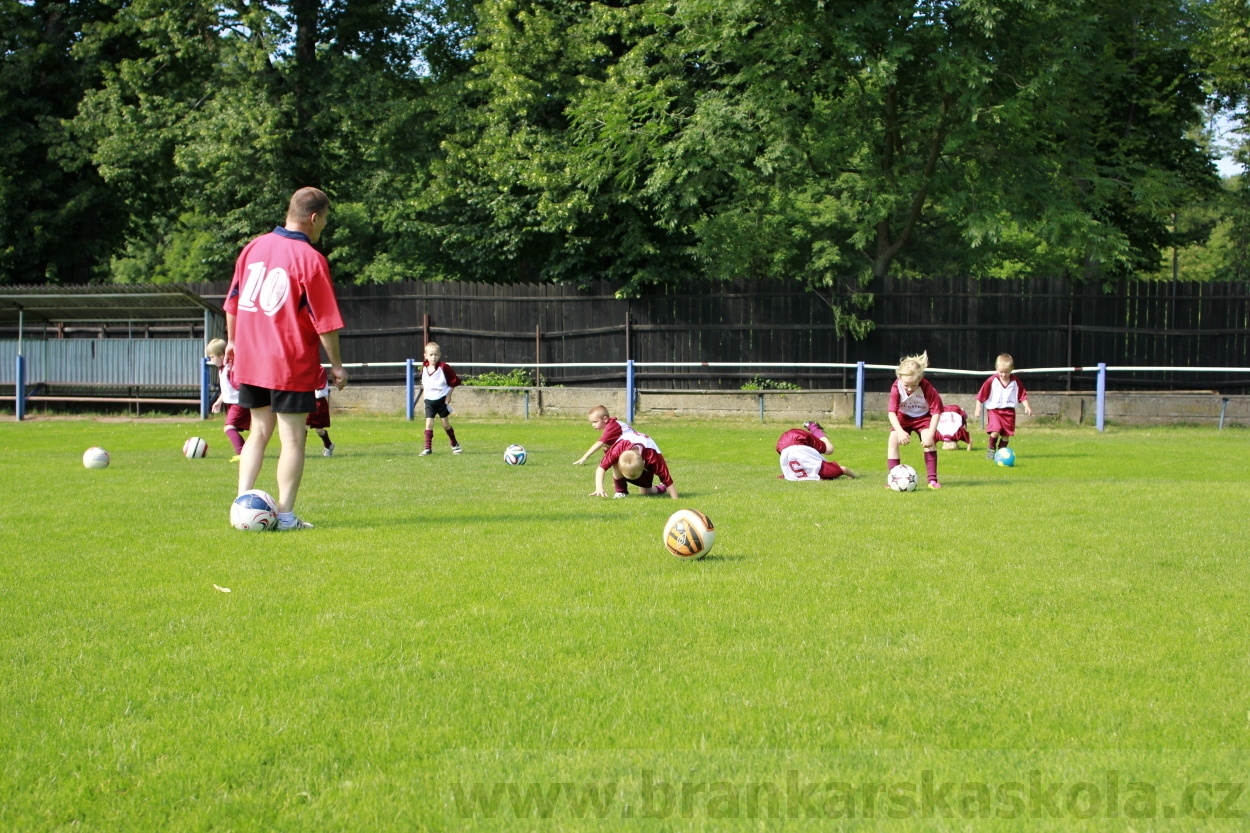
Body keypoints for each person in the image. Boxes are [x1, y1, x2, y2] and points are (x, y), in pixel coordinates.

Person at [224, 187, 347, 531]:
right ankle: (287, 516)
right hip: (288, 361)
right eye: (324, 219)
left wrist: (233, 341)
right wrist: (336, 364)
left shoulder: (254, 247)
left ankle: (241, 506)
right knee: (293, 439)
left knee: (258, 432)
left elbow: (232, 301)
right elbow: (325, 321)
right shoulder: (311, 259)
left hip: (250, 358)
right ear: (313, 218)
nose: (323, 226)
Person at [887, 351, 944, 489]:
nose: (910, 388)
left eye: (913, 385)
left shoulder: (927, 387)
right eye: (906, 385)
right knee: (893, 439)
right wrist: (900, 431)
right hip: (903, 417)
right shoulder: (896, 387)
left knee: (928, 443)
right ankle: (892, 478)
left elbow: (936, 412)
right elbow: (891, 412)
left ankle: (932, 480)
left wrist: (931, 434)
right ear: (899, 377)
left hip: (923, 418)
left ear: (920, 379)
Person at [974, 353, 1032, 460]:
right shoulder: (992, 381)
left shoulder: (1015, 381)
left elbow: (1022, 395)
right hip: (994, 411)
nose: (1004, 375)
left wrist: (1027, 406)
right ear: (996, 369)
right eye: (1001, 372)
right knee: (995, 431)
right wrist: (978, 408)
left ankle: (1001, 451)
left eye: (1006, 372)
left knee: (1006, 435)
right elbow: (981, 395)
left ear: (1012, 370)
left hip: (1009, 412)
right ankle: (991, 448)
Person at [592, 432, 678, 498]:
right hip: (625, 450)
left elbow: (667, 480)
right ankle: (621, 491)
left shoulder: (653, 457)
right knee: (613, 462)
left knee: (645, 492)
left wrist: (675, 499)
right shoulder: (617, 450)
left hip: (646, 455)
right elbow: (601, 468)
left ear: (644, 463)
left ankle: (662, 487)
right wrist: (599, 487)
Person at [207, 338, 250, 463]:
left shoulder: (229, 369)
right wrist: (219, 401)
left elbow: (238, 384)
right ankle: (248, 451)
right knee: (232, 428)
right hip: (233, 403)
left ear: (221, 355)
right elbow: (226, 390)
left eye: (211, 357)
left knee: (229, 427)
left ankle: (242, 453)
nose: (211, 360)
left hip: (239, 403)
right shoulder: (222, 370)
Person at [415, 341, 462, 456]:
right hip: (429, 401)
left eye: (436, 354)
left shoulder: (443, 367)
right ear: (426, 356)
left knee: (445, 424)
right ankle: (427, 448)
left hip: (441, 400)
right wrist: (425, 396)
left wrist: (449, 394)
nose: (433, 357)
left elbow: (454, 381)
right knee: (429, 423)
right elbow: (425, 383)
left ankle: (454, 443)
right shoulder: (425, 367)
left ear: (439, 355)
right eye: (431, 355)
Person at [776, 421, 857, 481]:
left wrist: (853, 476)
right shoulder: (796, 476)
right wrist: (855, 477)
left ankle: (812, 426)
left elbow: (843, 470)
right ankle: (813, 426)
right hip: (783, 445)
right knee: (829, 450)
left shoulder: (818, 471)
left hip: (794, 441)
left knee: (828, 450)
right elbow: (843, 469)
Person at [306, 369, 335, 457]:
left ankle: (329, 445)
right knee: (302, 427)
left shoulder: (320, 369)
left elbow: (318, 386)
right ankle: (299, 451)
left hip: (318, 403)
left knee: (319, 430)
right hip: (306, 401)